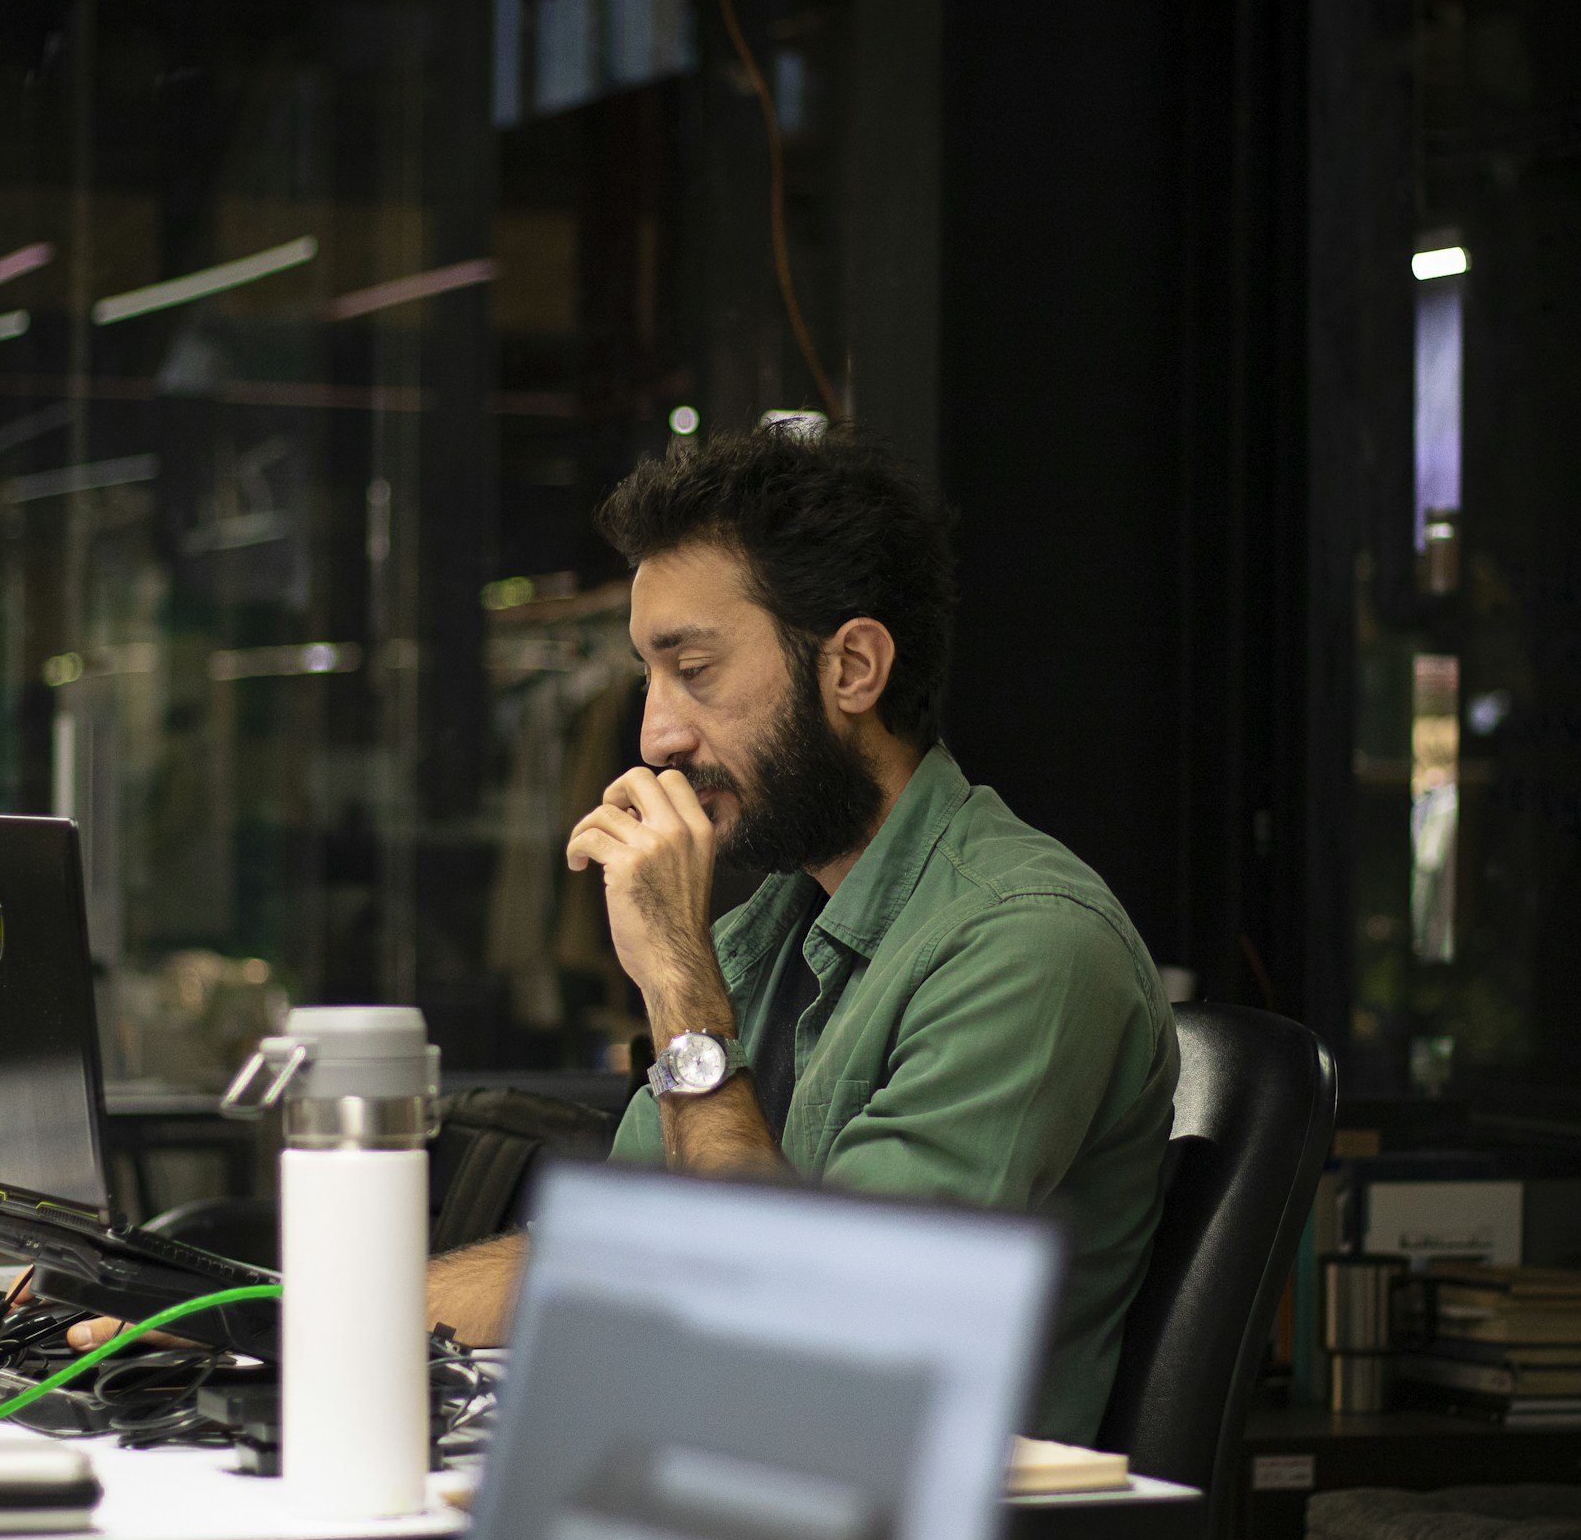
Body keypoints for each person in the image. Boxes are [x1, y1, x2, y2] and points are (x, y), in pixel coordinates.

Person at [426, 426, 1177, 1446]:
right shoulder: (766, 928)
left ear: (854, 667)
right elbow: (622, 1256)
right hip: (722, 1506)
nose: (655, 735)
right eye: (649, 678)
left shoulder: (1028, 944)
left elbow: (816, 1320)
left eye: (693, 669)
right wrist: (295, 1331)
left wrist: (678, 990)